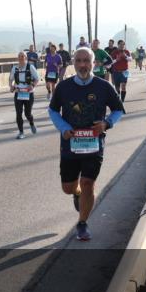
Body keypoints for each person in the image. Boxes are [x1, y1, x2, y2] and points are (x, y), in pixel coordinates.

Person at [48, 47, 125, 241]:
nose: (82, 65)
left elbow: (118, 110)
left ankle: (82, 223)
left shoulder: (104, 86)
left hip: (94, 145)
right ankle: (76, 193)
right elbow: (53, 111)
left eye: (86, 61)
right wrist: (63, 127)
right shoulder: (63, 87)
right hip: (70, 145)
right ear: (73, 63)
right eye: (79, 61)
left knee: (88, 182)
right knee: (68, 188)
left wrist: (106, 123)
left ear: (94, 63)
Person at [9, 50, 40, 139]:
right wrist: (11, 86)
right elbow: (10, 79)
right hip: (18, 93)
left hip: (28, 93)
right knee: (18, 113)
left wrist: (32, 85)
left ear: (26, 58)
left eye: (23, 56)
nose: (21, 58)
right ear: (17, 58)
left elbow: (37, 79)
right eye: (20, 56)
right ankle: (21, 132)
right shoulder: (14, 68)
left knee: (27, 114)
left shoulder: (30, 67)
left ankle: (31, 123)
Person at [109, 39, 132, 104]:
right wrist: (117, 59)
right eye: (121, 44)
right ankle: (118, 98)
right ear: (118, 45)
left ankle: (122, 101)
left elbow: (130, 59)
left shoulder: (126, 51)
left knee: (124, 86)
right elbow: (110, 62)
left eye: (123, 44)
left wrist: (125, 56)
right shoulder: (114, 52)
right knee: (117, 87)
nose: (122, 46)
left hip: (124, 71)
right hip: (116, 72)